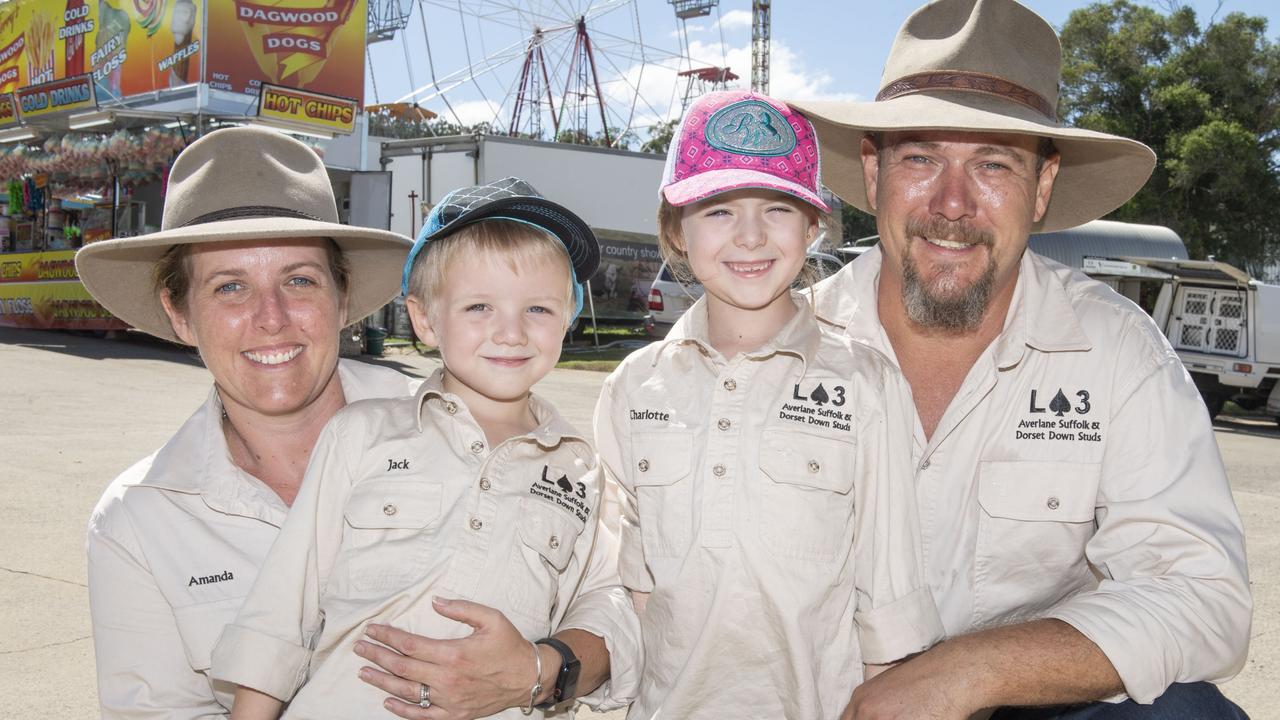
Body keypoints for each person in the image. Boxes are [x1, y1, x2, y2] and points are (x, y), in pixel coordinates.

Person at [789, 0, 1252, 717]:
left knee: (1186, 711)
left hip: (1017, 704)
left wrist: (966, 673)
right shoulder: (776, 347)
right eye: (920, 158)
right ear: (873, 173)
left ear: (1041, 189)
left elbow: (1202, 596)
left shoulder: (1117, 350)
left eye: (994, 165)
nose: (952, 204)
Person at [210, 178, 641, 719]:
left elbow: (603, 604)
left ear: (569, 317)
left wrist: (542, 669)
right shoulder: (361, 434)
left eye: (538, 309)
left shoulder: (584, 473)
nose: (510, 333)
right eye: (479, 306)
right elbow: (279, 610)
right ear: (425, 319)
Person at [594, 90, 944, 719]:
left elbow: (889, 600)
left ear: (813, 228)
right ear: (677, 228)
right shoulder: (633, 387)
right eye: (719, 210)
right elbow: (628, 592)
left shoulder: (866, 382)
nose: (750, 236)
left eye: (778, 209)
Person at [78, 126, 418, 718]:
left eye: (299, 280)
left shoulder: (459, 431)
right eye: (230, 286)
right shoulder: (139, 519)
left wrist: (545, 670)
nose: (272, 318)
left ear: (342, 298)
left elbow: (608, 607)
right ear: (180, 315)